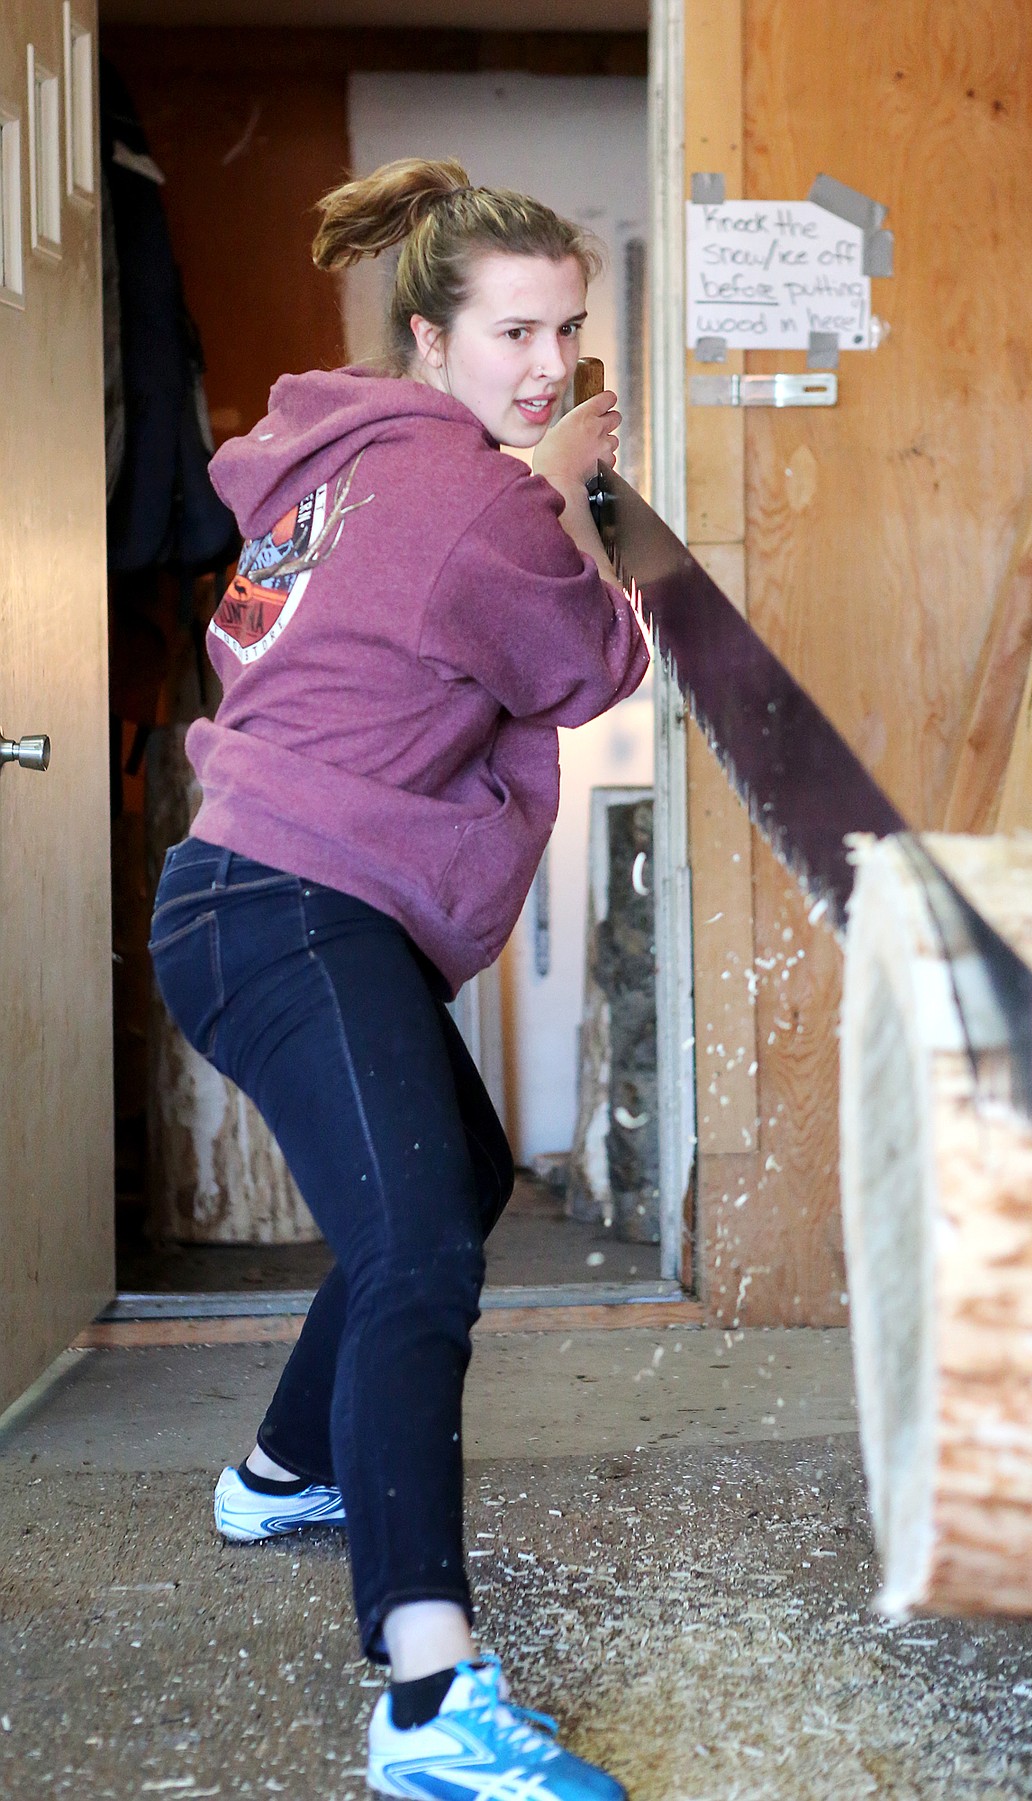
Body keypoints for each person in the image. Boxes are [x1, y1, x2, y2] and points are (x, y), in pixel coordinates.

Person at [148, 157, 648, 1800]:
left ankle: (283, 1469)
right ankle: (429, 1697)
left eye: (565, 331)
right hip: (293, 899)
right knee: (422, 1237)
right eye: (511, 332)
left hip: (249, 889)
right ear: (431, 339)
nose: (543, 364)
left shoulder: (340, 463)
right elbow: (590, 663)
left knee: (458, 1175)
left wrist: (542, 474)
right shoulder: (469, 492)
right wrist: (564, 487)